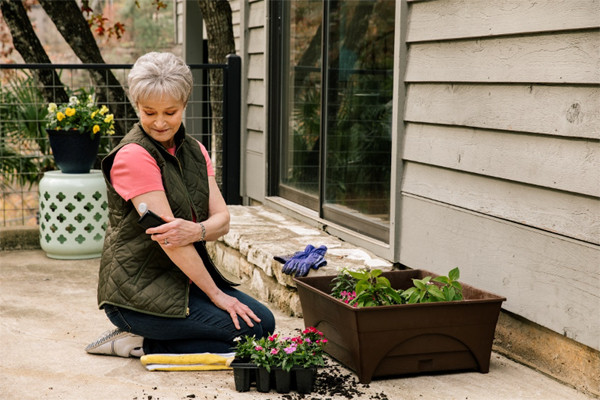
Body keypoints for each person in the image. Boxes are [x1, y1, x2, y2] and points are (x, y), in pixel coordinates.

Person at [85, 52, 275, 358]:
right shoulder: (133, 157)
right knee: (246, 335)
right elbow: (171, 241)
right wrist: (216, 295)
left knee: (264, 324)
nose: (160, 123)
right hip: (137, 295)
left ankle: (151, 339)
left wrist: (196, 230)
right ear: (137, 108)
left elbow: (223, 220)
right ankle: (136, 341)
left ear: (184, 105)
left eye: (170, 112)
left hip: (182, 282)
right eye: (149, 112)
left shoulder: (196, 152)